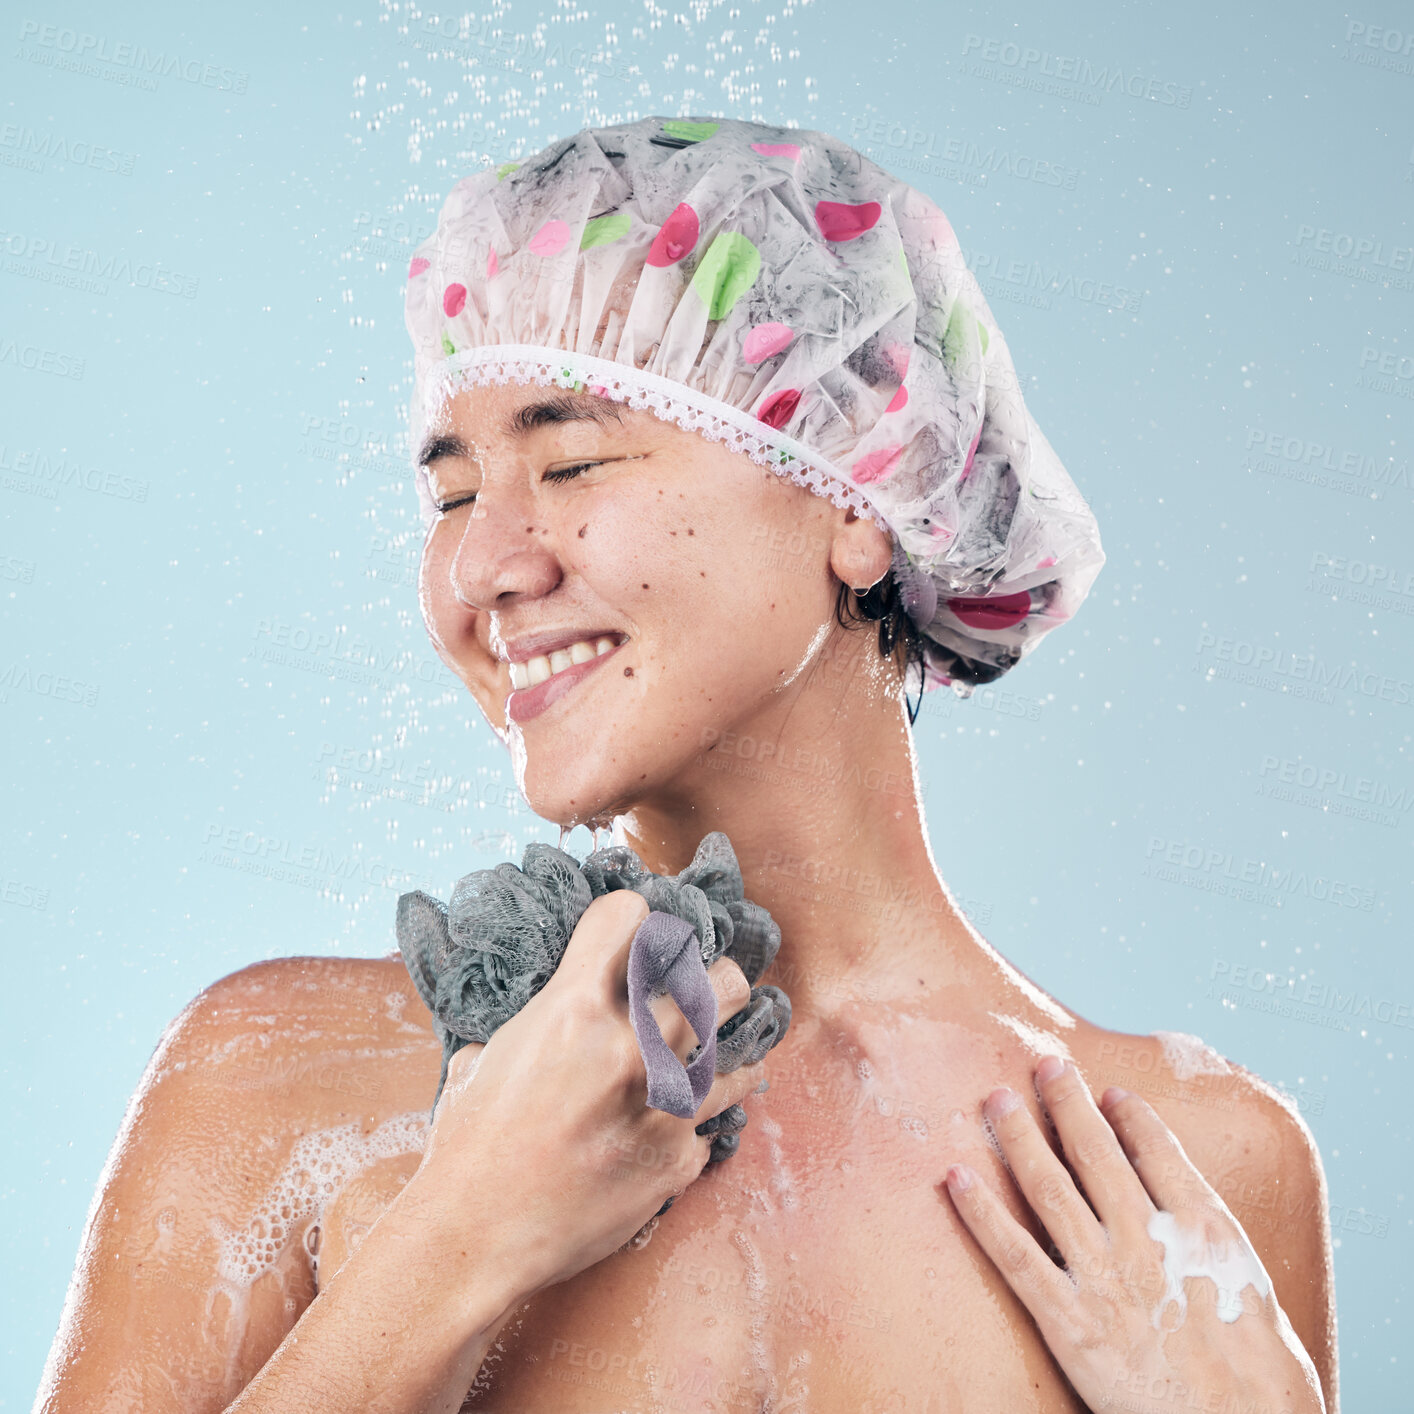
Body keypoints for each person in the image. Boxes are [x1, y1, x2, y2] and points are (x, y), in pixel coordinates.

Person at [35, 115, 1336, 1414]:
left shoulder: (1187, 1171)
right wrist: (454, 1239)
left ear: (856, 494)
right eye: (448, 494)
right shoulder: (286, 1081)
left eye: (571, 457)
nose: (482, 567)